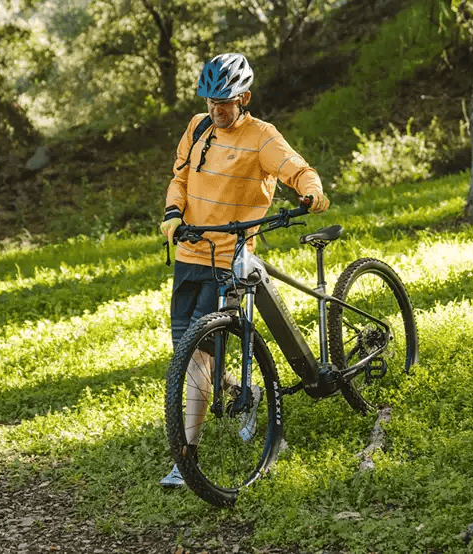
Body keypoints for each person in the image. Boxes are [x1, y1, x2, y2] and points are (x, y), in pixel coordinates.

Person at [159, 52, 330, 487]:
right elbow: (179, 178)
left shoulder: (262, 137)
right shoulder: (197, 128)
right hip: (189, 257)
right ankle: (245, 392)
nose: (217, 109)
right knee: (189, 354)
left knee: (198, 355)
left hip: (230, 259)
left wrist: (311, 191)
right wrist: (173, 212)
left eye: (226, 101)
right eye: (211, 100)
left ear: (244, 97)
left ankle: (187, 458)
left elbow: (297, 169)